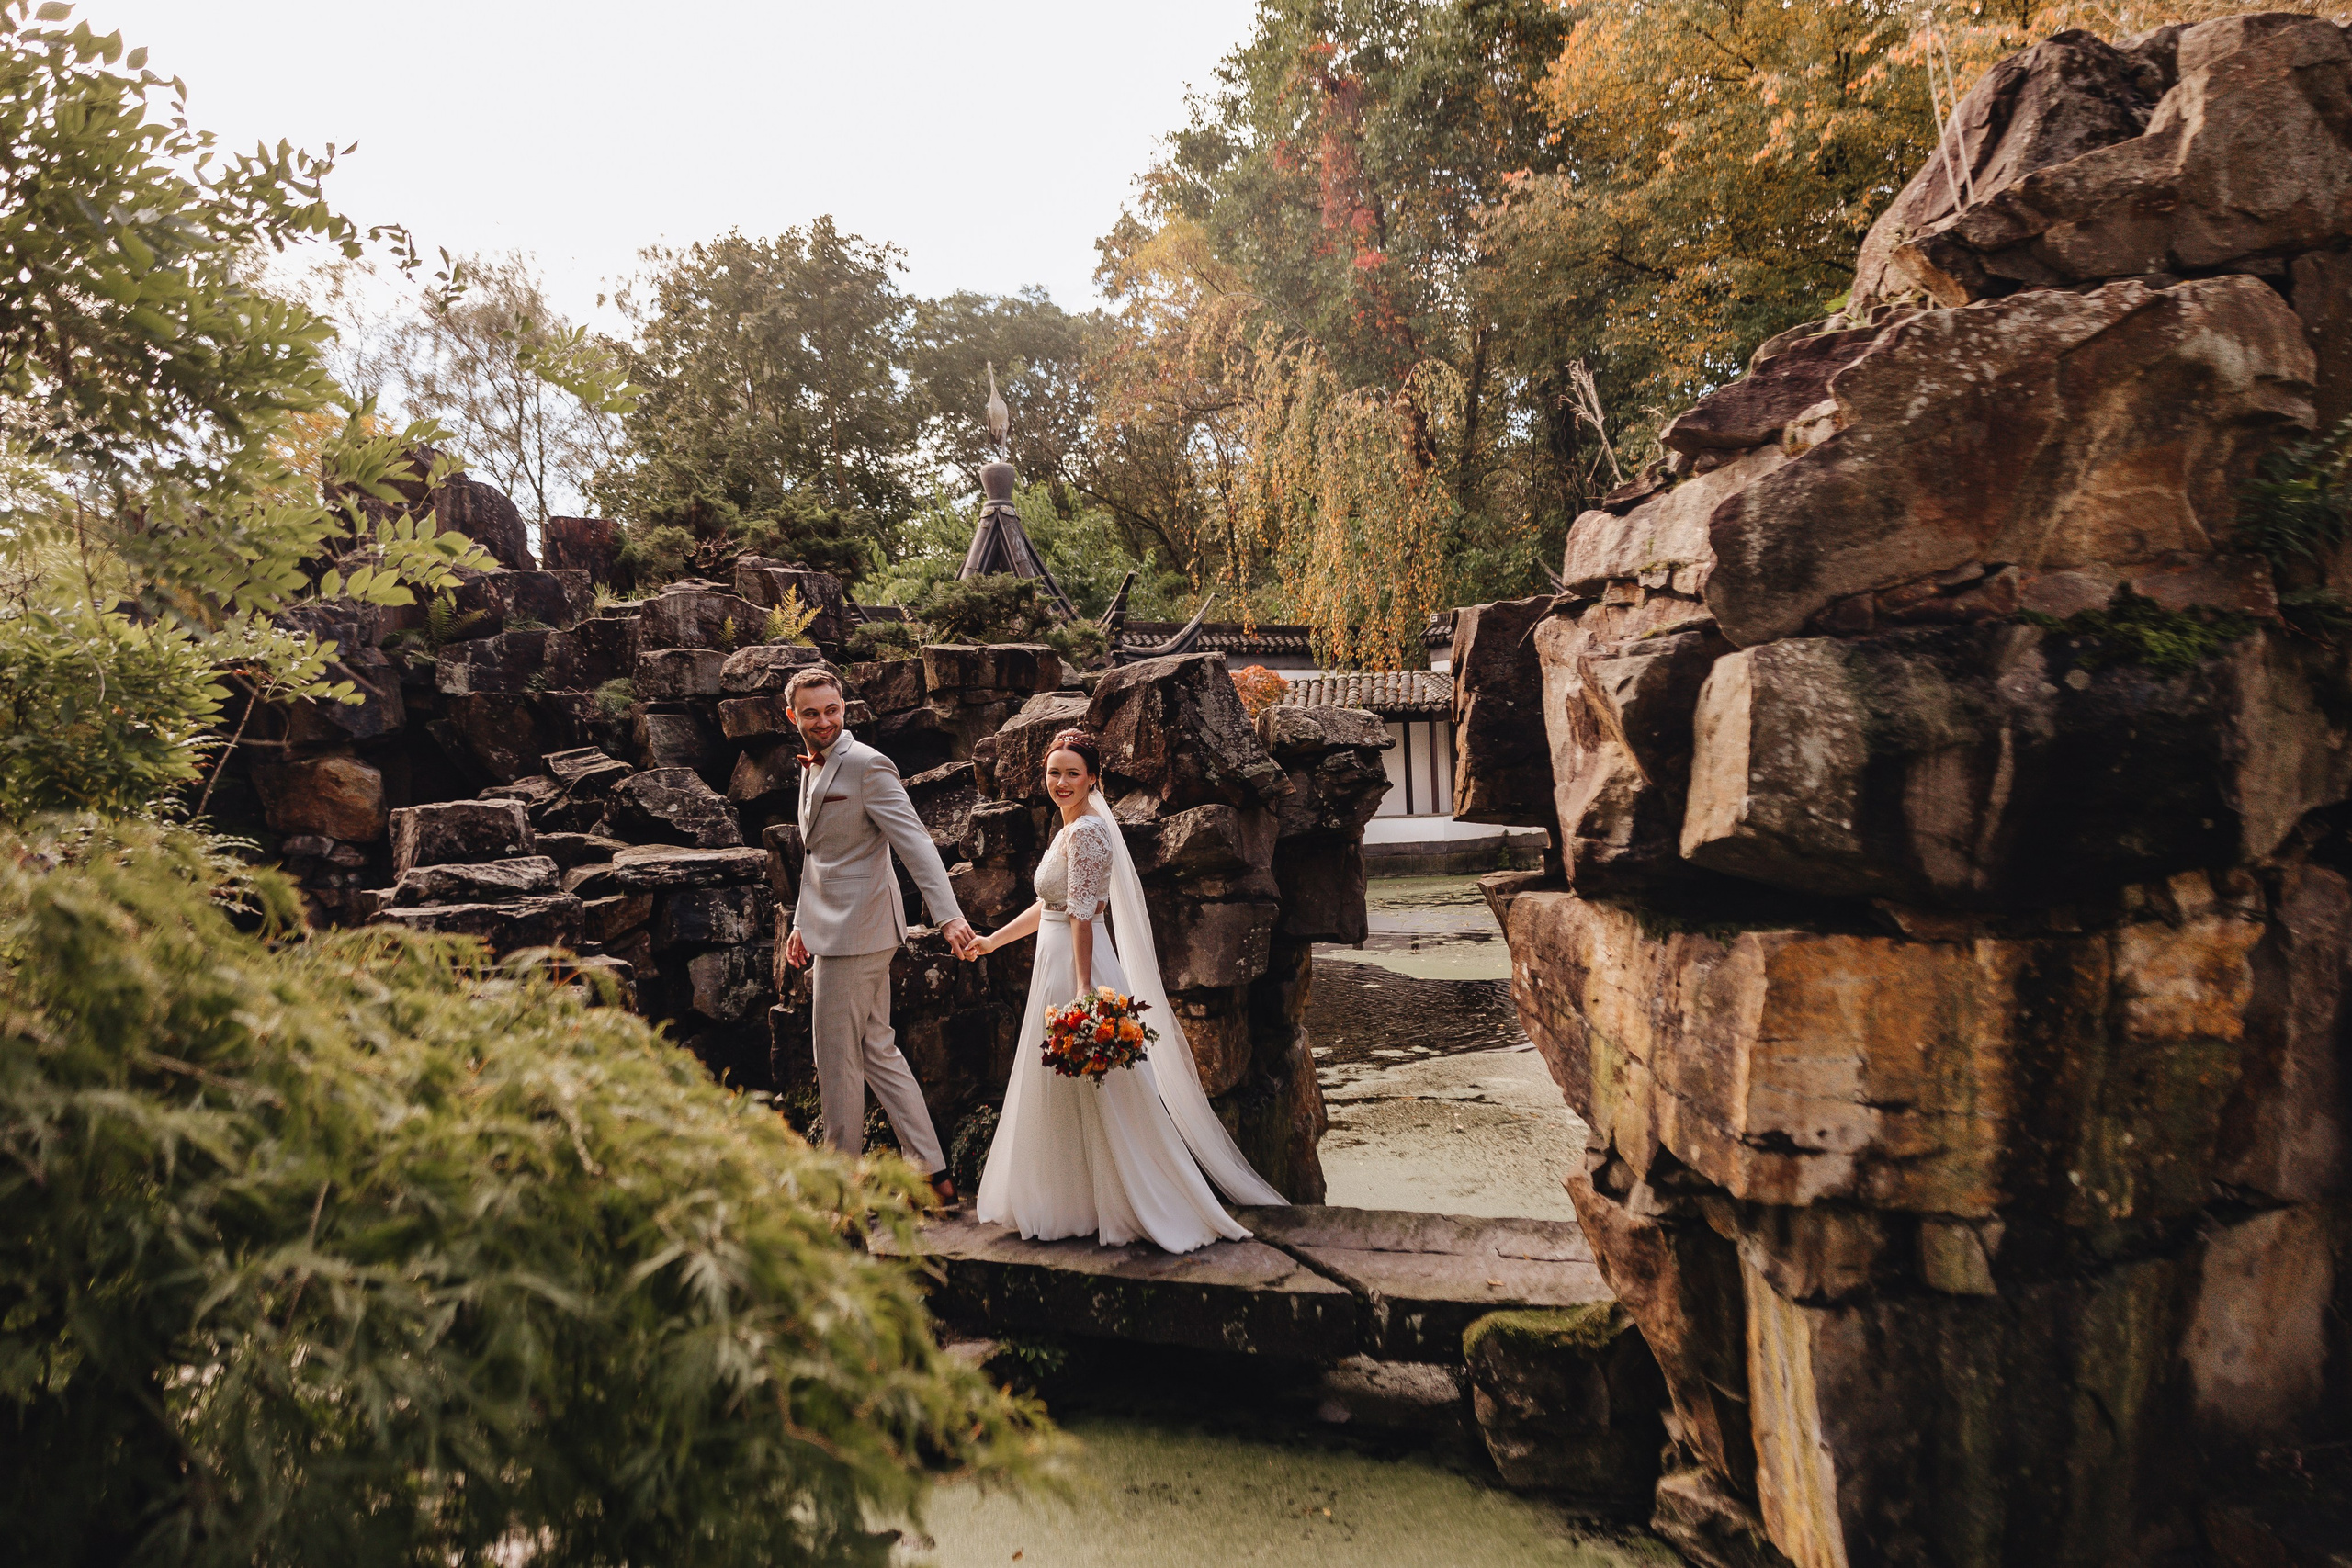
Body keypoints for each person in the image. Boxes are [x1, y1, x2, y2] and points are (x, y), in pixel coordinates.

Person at [960, 728, 1285, 1252]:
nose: (1061, 782)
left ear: (1094, 778)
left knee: (1097, 1087)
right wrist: (992, 942)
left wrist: (1086, 988)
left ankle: (1134, 1201)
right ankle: (1075, 1200)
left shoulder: (1088, 832)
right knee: (1064, 1086)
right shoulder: (1065, 829)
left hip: (1074, 966)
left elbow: (1085, 914)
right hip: (1055, 957)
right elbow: (1051, 905)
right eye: (1053, 772)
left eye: (1072, 773)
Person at [780, 666, 978, 1209]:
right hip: (831, 924)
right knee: (876, 1049)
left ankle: (837, 1192)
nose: (825, 721)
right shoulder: (809, 766)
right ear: (792, 716)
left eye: (833, 709)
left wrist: (948, 916)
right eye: (813, 712)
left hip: (859, 934)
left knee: (835, 1058)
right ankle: (934, 1177)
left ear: (845, 706)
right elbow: (818, 856)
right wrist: (800, 922)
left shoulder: (868, 765)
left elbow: (915, 843)